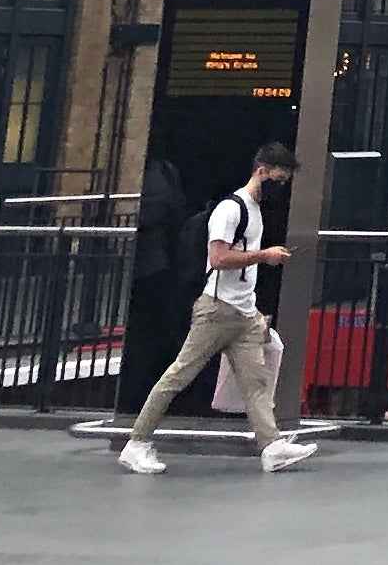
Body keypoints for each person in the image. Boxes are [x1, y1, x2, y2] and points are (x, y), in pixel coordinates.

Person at [117, 142, 319, 475]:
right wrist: (263, 256)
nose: (280, 188)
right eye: (278, 179)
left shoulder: (252, 211)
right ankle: (137, 442)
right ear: (262, 171)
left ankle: (271, 446)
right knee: (178, 375)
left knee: (256, 381)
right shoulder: (231, 209)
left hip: (242, 312)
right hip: (217, 310)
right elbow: (219, 258)